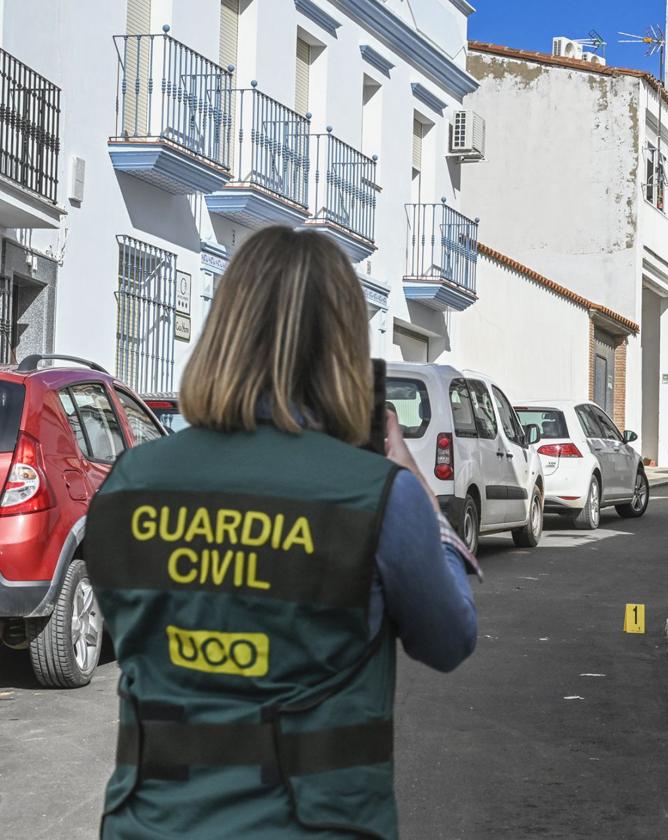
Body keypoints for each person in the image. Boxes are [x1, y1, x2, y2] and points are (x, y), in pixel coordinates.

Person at [85, 226, 478, 839]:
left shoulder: (132, 480)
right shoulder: (376, 495)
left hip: (148, 824)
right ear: (343, 349)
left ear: (225, 333)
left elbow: (132, 626)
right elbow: (449, 639)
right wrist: (417, 491)